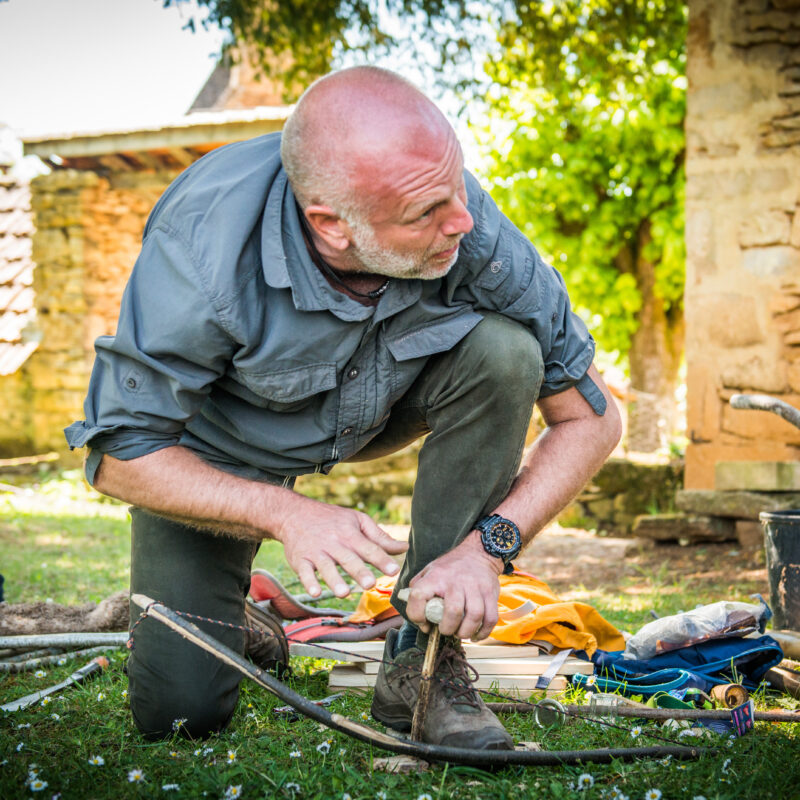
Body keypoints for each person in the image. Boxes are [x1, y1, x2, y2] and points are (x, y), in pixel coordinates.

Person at [66, 66, 621, 749]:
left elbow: (593, 415)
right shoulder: (201, 246)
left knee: (506, 353)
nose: (463, 222)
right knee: (181, 715)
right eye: (427, 213)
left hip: (386, 404)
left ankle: (422, 663)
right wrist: (282, 511)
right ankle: (250, 619)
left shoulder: (467, 226)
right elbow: (119, 454)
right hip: (225, 450)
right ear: (332, 226)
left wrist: (487, 549)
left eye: (458, 188)